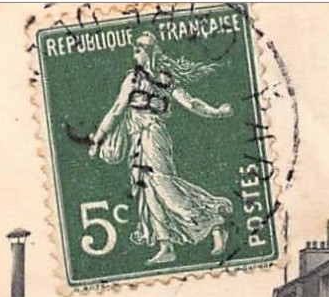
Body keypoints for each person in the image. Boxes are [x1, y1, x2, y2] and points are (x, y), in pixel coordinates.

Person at [88, 31, 236, 265]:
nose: (135, 54)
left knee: (164, 185)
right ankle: (165, 245)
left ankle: (214, 223)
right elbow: (117, 110)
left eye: (140, 50)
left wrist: (215, 112)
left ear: (151, 53)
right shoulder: (132, 80)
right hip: (137, 141)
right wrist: (98, 138)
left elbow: (190, 102)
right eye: (135, 50)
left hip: (154, 137)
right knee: (148, 191)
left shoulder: (165, 79)